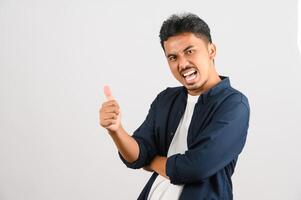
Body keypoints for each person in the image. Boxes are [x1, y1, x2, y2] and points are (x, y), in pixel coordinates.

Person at [99, 12, 250, 200]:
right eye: (173, 57)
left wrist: (151, 161)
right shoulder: (166, 99)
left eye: (190, 51)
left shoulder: (234, 104)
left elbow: (195, 167)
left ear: (211, 50)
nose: (183, 64)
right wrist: (116, 130)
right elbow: (137, 155)